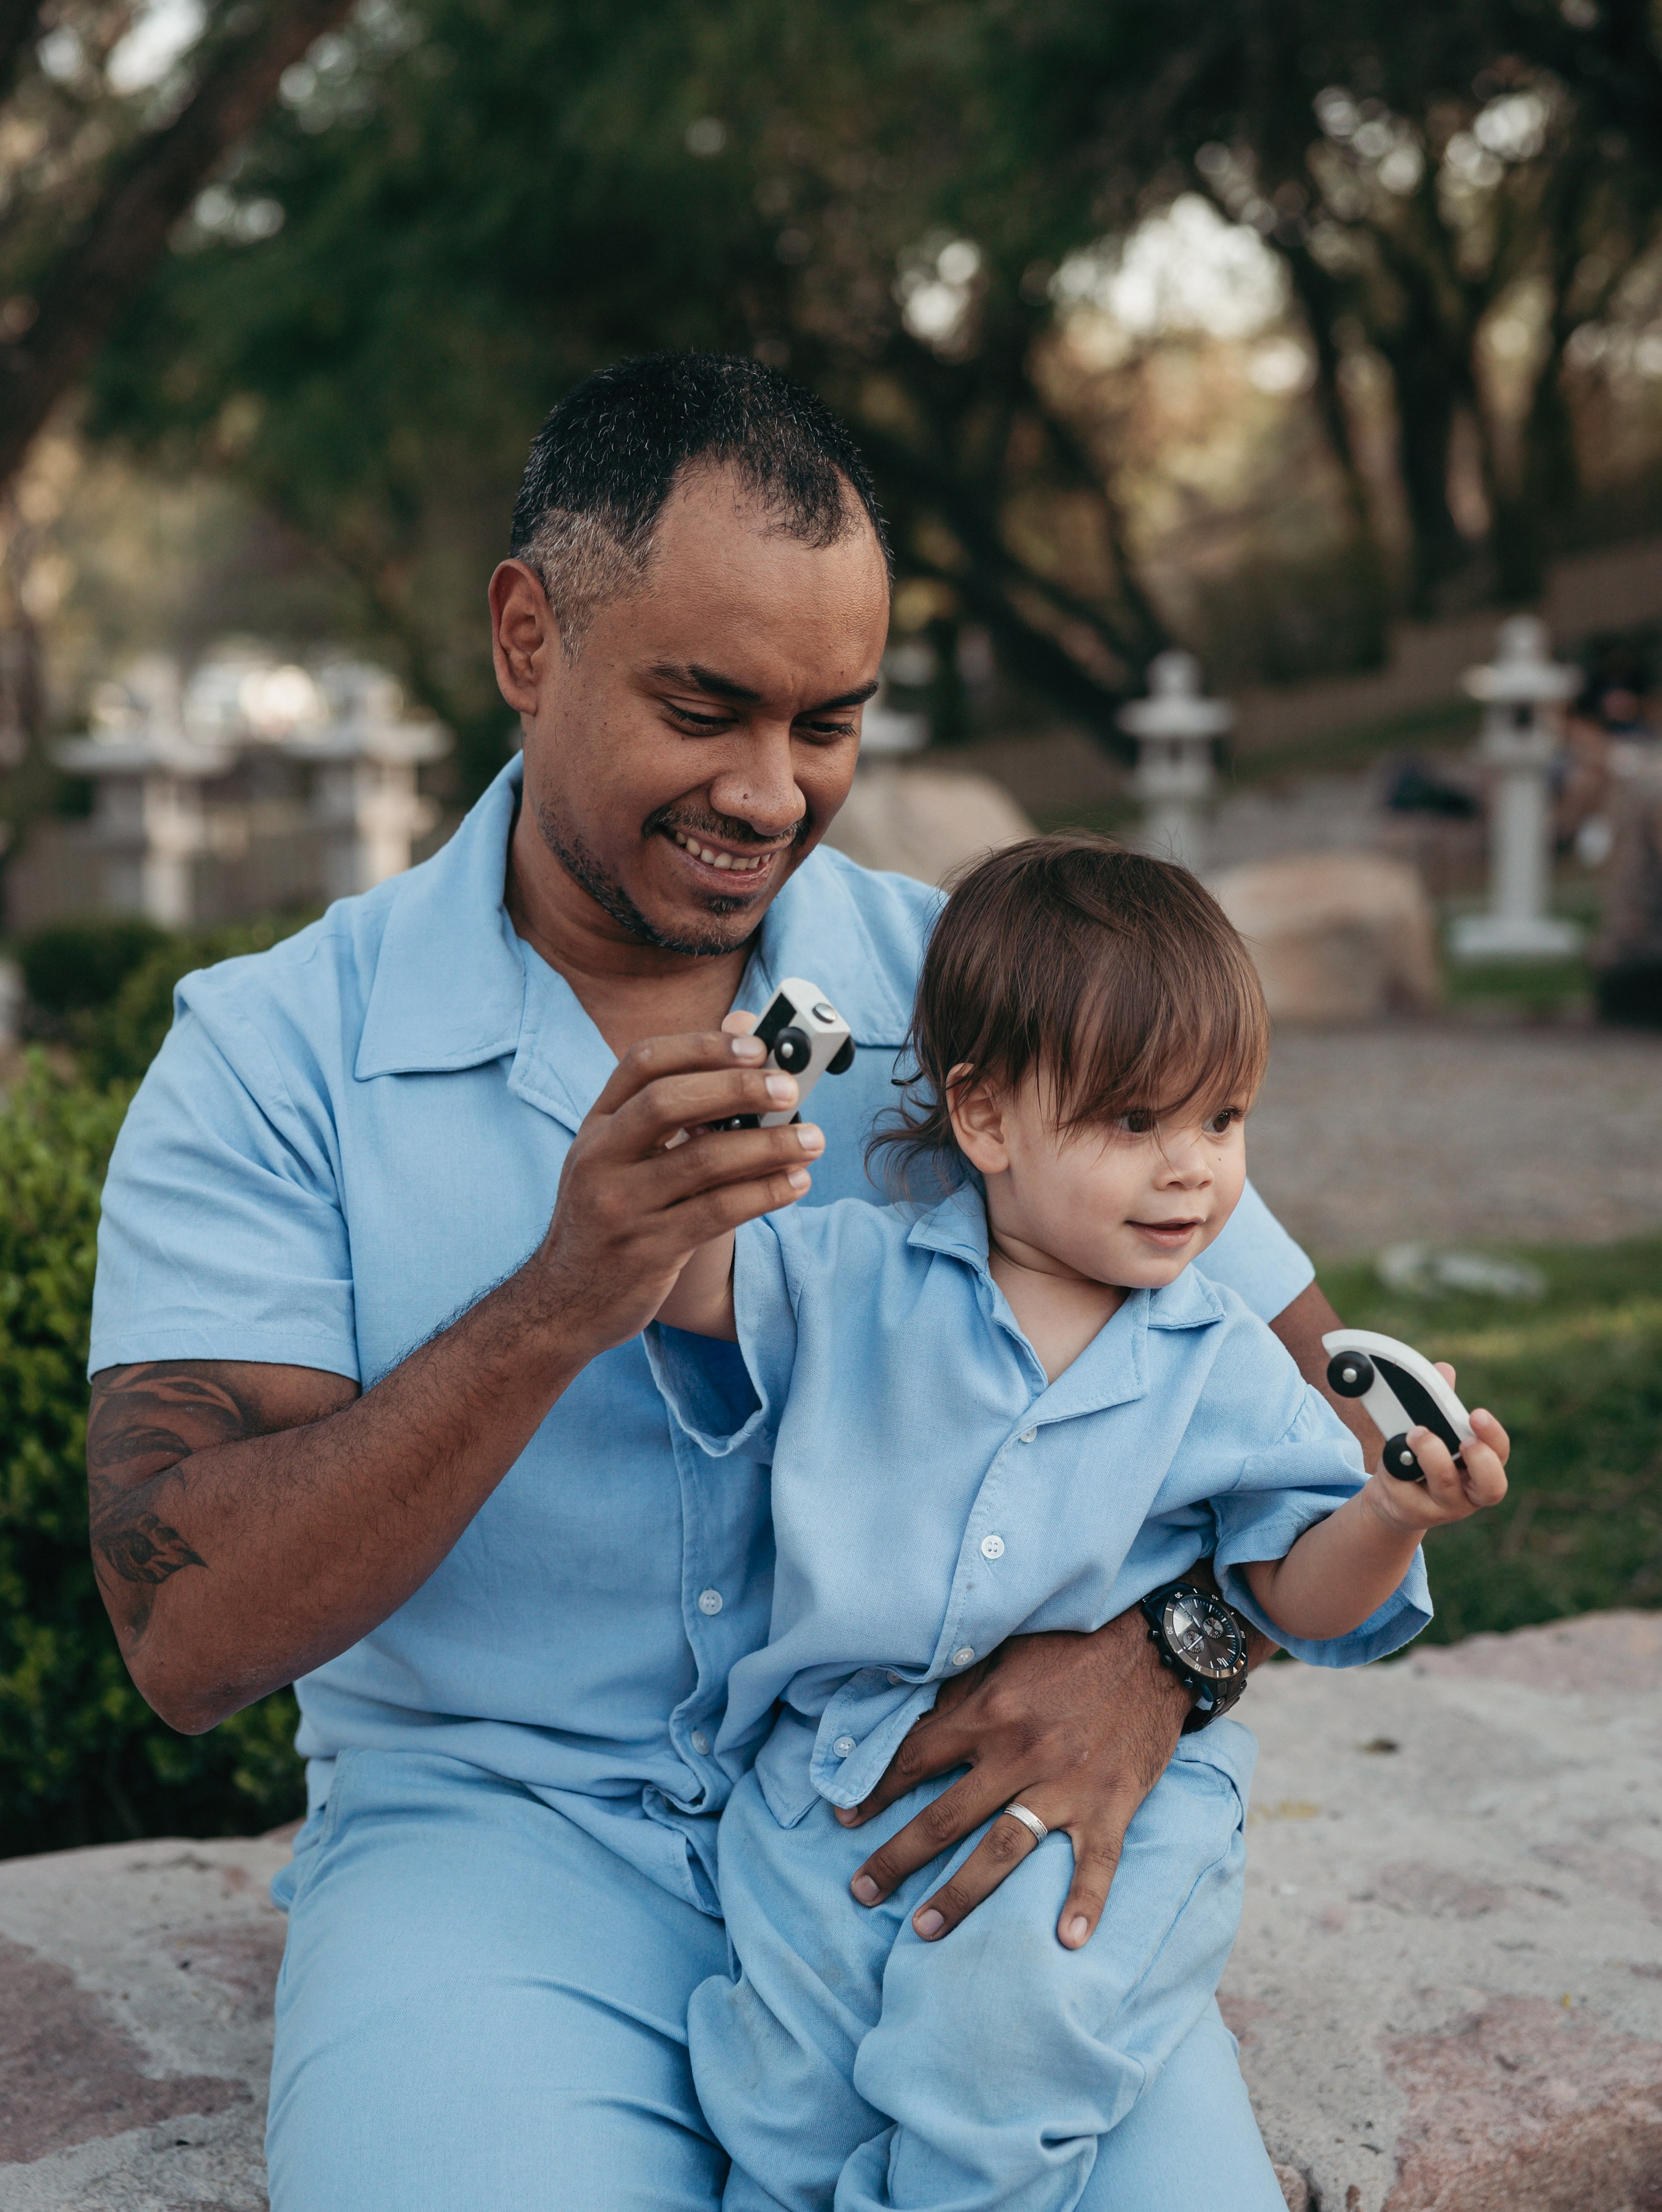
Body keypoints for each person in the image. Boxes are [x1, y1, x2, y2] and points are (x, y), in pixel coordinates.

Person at [86, 354, 1380, 2211]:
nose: (772, 793)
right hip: (498, 1856)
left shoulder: (985, 997)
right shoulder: (270, 1055)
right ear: (527, 636)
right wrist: (560, 1302)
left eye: (831, 723)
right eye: (705, 707)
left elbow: (1333, 1416)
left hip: (952, 1861)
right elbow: (184, 1642)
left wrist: (1165, 1663)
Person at [649, 838, 1509, 2212]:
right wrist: (718, 1157)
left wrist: (1391, 1515)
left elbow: (1293, 1596)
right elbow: (689, 1296)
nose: (1190, 1174)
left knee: (993, 2069)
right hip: (828, 1786)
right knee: (783, 2100)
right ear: (984, 1119)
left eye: (1221, 1122)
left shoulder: (1219, 1357)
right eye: (1132, 1125)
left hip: (1104, 1812)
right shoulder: (852, 1274)